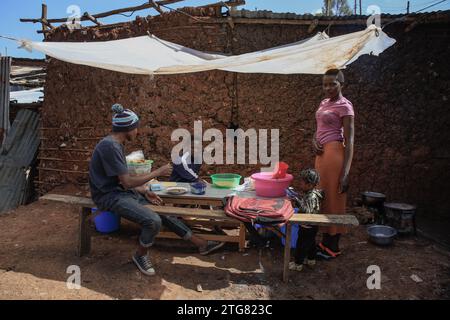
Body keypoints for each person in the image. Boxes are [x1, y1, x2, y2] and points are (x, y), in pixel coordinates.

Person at [88, 103, 225, 276]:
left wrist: (145, 191)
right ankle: (140, 255)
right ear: (128, 128)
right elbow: (127, 182)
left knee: (164, 211)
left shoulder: (115, 145)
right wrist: (157, 172)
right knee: (153, 221)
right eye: (136, 128)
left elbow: (121, 181)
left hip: (120, 191)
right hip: (108, 196)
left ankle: (202, 244)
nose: (137, 132)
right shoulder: (110, 146)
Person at [312, 69, 355, 260]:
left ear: (342, 84)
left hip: (335, 155)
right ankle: (325, 241)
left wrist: (346, 173)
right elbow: (319, 128)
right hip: (321, 156)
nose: (328, 88)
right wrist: (314, 140)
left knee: (335, 199)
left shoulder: (345, 106)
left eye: (332, 84)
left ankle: (333, 246)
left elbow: (350, 140)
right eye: (325, 84)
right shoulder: (323, 103)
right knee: (323, 197)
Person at [288, 169, 323, 272]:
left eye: (302, 182)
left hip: (307, 225)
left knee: (301, 245)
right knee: (311, 243)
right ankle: (311, 259)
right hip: (312, 225)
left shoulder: (311, 197)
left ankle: (298, 263)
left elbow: (307, 211)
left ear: (310, 184)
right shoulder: (312, 193)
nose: (300, 184)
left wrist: (298, 202)